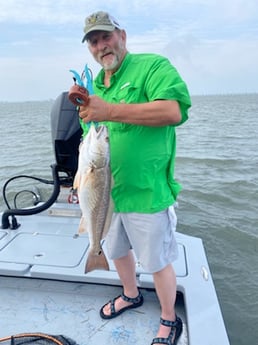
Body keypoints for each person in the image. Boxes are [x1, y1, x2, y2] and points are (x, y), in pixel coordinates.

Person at [78, 11, 191, 345]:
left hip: (146, 191)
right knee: (115, 250)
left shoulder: (153, 67)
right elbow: (91, 139)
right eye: (94, 41)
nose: (101, 46)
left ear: (122, 35)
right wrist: (79, 181)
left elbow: (172, 111)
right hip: (106, 193)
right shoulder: (97, 85)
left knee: (157, 260)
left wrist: (108, 111)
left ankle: (169, 318)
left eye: (106, 37)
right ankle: (130, 294)